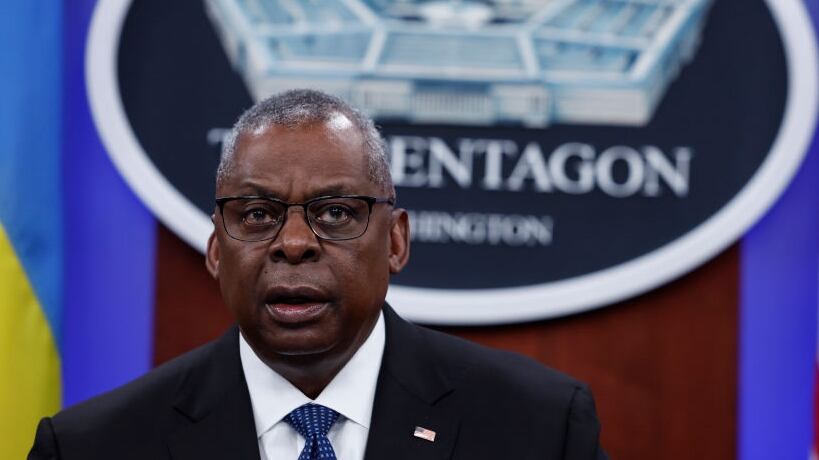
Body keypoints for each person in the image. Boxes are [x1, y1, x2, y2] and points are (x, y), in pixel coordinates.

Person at [29, 89, 607, 459]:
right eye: (257, 215)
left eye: (336, 212)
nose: (296, 244)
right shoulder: (93, 446)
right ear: (214, 250)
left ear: (396, 241)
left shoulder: (538, 429)